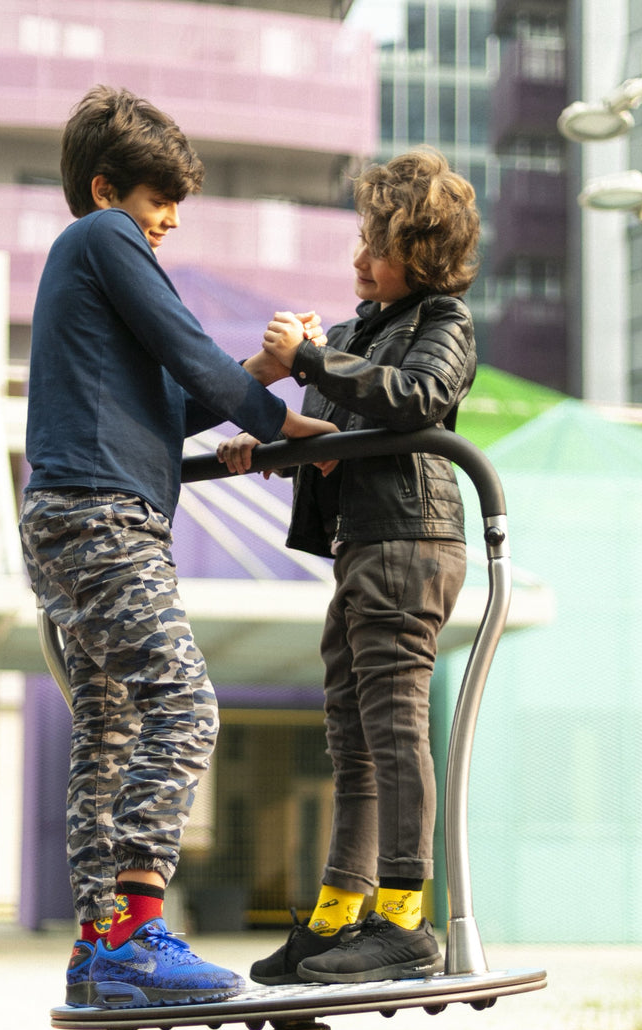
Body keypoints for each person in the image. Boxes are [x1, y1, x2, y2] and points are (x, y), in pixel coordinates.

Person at [20, 86, 334, 1009]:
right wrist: (284, 421)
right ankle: (136, 930)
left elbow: (170, 406)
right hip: (102, 516)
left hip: (70, 515)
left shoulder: (88, 268)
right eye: (160, 199)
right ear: (107, 187)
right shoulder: (102, 236)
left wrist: (258, 379)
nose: (170, 220)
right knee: (186, 706)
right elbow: (188, 349)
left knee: (110, 730)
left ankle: (97, 946)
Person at [218, 148, 480, 986]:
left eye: (377, 245)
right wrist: (268, 438)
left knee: (394, 727)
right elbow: (337, 439)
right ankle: (340, 912)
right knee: (353, 734)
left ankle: (404, 916)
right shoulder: (358, 330)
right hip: (362, 542)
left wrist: (308, 361)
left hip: (410, 540)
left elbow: (416, 401)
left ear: (421, 253)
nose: (359, 258)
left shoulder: (443, 322)